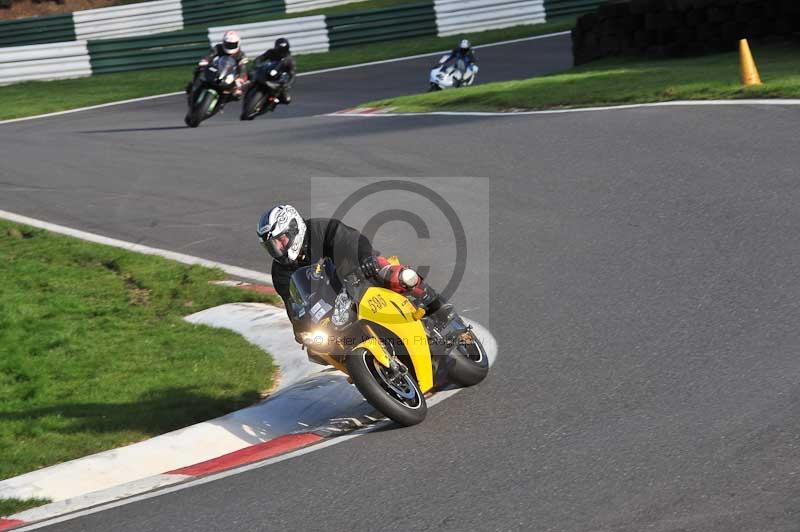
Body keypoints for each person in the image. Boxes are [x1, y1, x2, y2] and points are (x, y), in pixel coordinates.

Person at [256, 204, 446, 342]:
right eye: (271, 245)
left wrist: (366, 259)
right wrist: (300, 328)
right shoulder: (280, 271)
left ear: (294, 228)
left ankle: (438, 308)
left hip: (359, 273)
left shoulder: (320, 229)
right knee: (319, 349)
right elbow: (293, 304)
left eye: (280, 240)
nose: (278, 248)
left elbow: (352, 240)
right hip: (334, 305)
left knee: (397, 276)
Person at [186, 30, 249, 100]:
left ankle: (222, 104)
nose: (230, 46)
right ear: (224, 43)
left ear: (238, 43)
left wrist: (240, 77)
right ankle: (193, 86)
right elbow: (210, 55)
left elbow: (242, 67)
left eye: (233, 44)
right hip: (217, 68)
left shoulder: (241, 55)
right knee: (199, 70)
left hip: (230, 74)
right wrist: (205, 61)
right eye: (228, 44)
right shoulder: (218, 48)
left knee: (237, 93)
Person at [253, 37, 296, 104]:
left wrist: (287, 84)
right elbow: (261, 58)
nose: (281, 53)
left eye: (283, 51)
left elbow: (292, 73)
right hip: (268, 71)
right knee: (252, 75)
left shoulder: (290, 60)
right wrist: (257, 64)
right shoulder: (271, 52)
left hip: (279, 78)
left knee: (287, 100)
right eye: (280, 50)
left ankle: (274, 100)